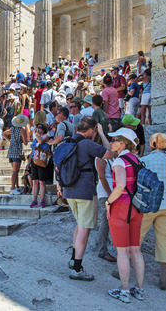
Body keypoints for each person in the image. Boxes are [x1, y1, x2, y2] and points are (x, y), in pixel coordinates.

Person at [58, 116, 116, 281]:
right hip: (85, 191)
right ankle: (77, 269)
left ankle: (73, 260)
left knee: (79, 226)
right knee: (85, 229)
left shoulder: (67, 143)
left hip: (69, 191)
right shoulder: (88, 144)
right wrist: (102, 134)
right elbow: (110, 154)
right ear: (91, 129)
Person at [105, 128, 145, 302]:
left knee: (121, 251)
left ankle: (124, 291)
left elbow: (120, 186)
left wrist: (108, 202)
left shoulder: (120, 161)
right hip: (137, 207)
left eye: (114, 140)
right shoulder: (137, 160)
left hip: (121, 206)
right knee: (135, 249)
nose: (111, 143)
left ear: (122, 143)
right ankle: (140, 289)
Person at [138, 133, 166, 290]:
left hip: (149, 203)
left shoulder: (144, 160)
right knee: (164, 240)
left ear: (152, 145)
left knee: (137, 237)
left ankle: (126, 269)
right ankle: (163, 278)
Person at [4, 114, 30, 195]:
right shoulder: (22, 130)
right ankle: (12, 188)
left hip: (11, 150)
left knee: (15, 171)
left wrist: (10, 140)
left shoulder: (12, 129)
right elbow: (25, 143)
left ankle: (17, 187)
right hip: (17, 151)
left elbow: (4, 134)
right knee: (15, 171)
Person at [30, 123, 54, 207]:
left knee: (41, 182)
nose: (38, 129)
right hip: (34, 160)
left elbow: (40, 141)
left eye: (40, 128)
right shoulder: (35, 138)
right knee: (35, 181)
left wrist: (35, 134)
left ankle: (42, 200)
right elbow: (32, 150)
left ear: (43, 130)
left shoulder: (45, 136)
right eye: (37, 127)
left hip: (41, 160)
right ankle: (34, 200)